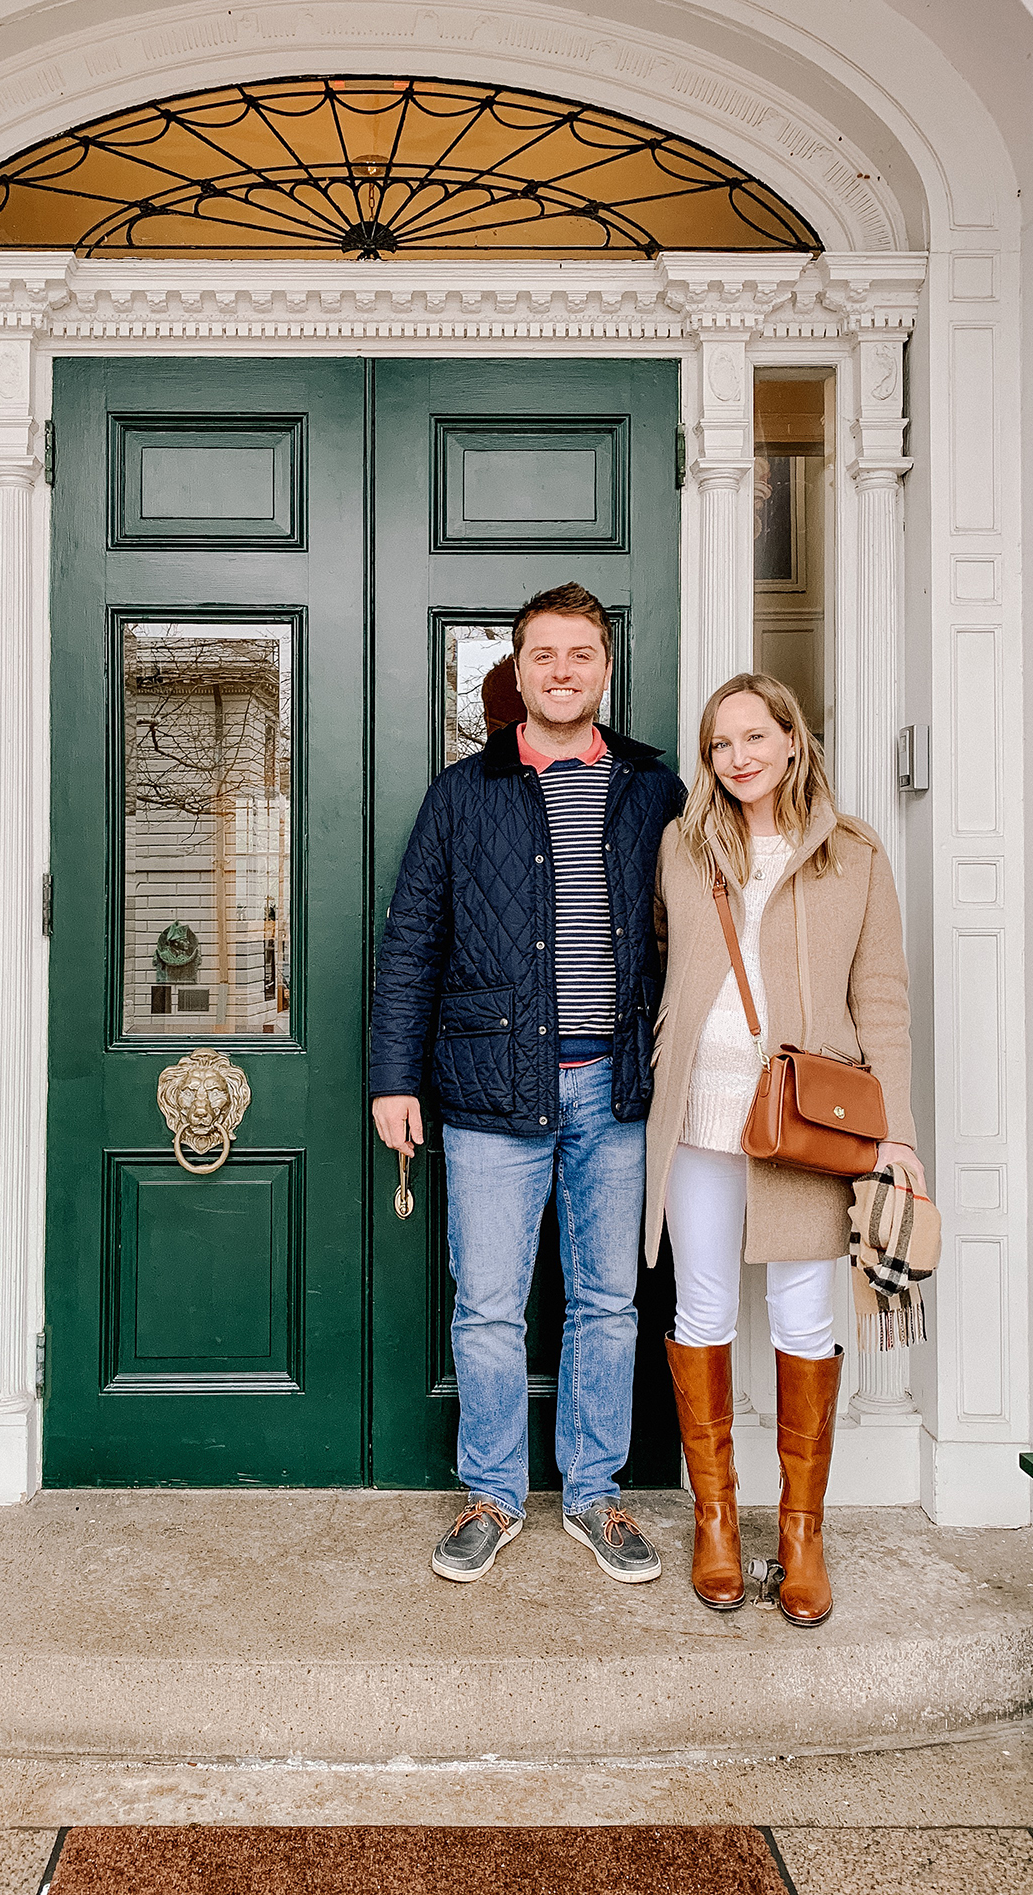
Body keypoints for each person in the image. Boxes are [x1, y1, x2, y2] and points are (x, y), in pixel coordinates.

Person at [370, 582, 685, 1583]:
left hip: (618, 1089)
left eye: (579, 653)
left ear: (603, 666)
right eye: (541, 654)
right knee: (489, 1302)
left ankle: (594, 1496)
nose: (560, 670)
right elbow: (411, 937)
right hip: (489, 1089)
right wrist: (392, 1074)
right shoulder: (464, 791)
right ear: (514, 672)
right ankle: (493, 1494)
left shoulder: (652, 788)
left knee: (605, 1300)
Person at [647, 673, 923, 1626]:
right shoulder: (684, 849)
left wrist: (895, 1136)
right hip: (697, 1118)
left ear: (793, 741)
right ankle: (715, 1517)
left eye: (755, 736)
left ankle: (800, 1528)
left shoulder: (853, 854)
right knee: (702, 1308)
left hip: (808, 1125)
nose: (738, 757)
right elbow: (663, 960)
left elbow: (879, 998)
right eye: (720, 743)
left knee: (805, 1320)